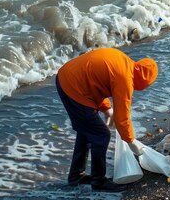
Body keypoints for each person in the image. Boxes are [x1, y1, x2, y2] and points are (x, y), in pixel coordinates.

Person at [56, 47, 158, 192]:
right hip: (74, 88)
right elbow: (122, 118)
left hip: (65, 77)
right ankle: (99, 182)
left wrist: (106, 108)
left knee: (86, 131)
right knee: (101, 134)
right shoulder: (126, 78)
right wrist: (130, 141)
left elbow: (97, 80)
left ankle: (76, 176)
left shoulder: (123, 61)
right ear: (144, 81)